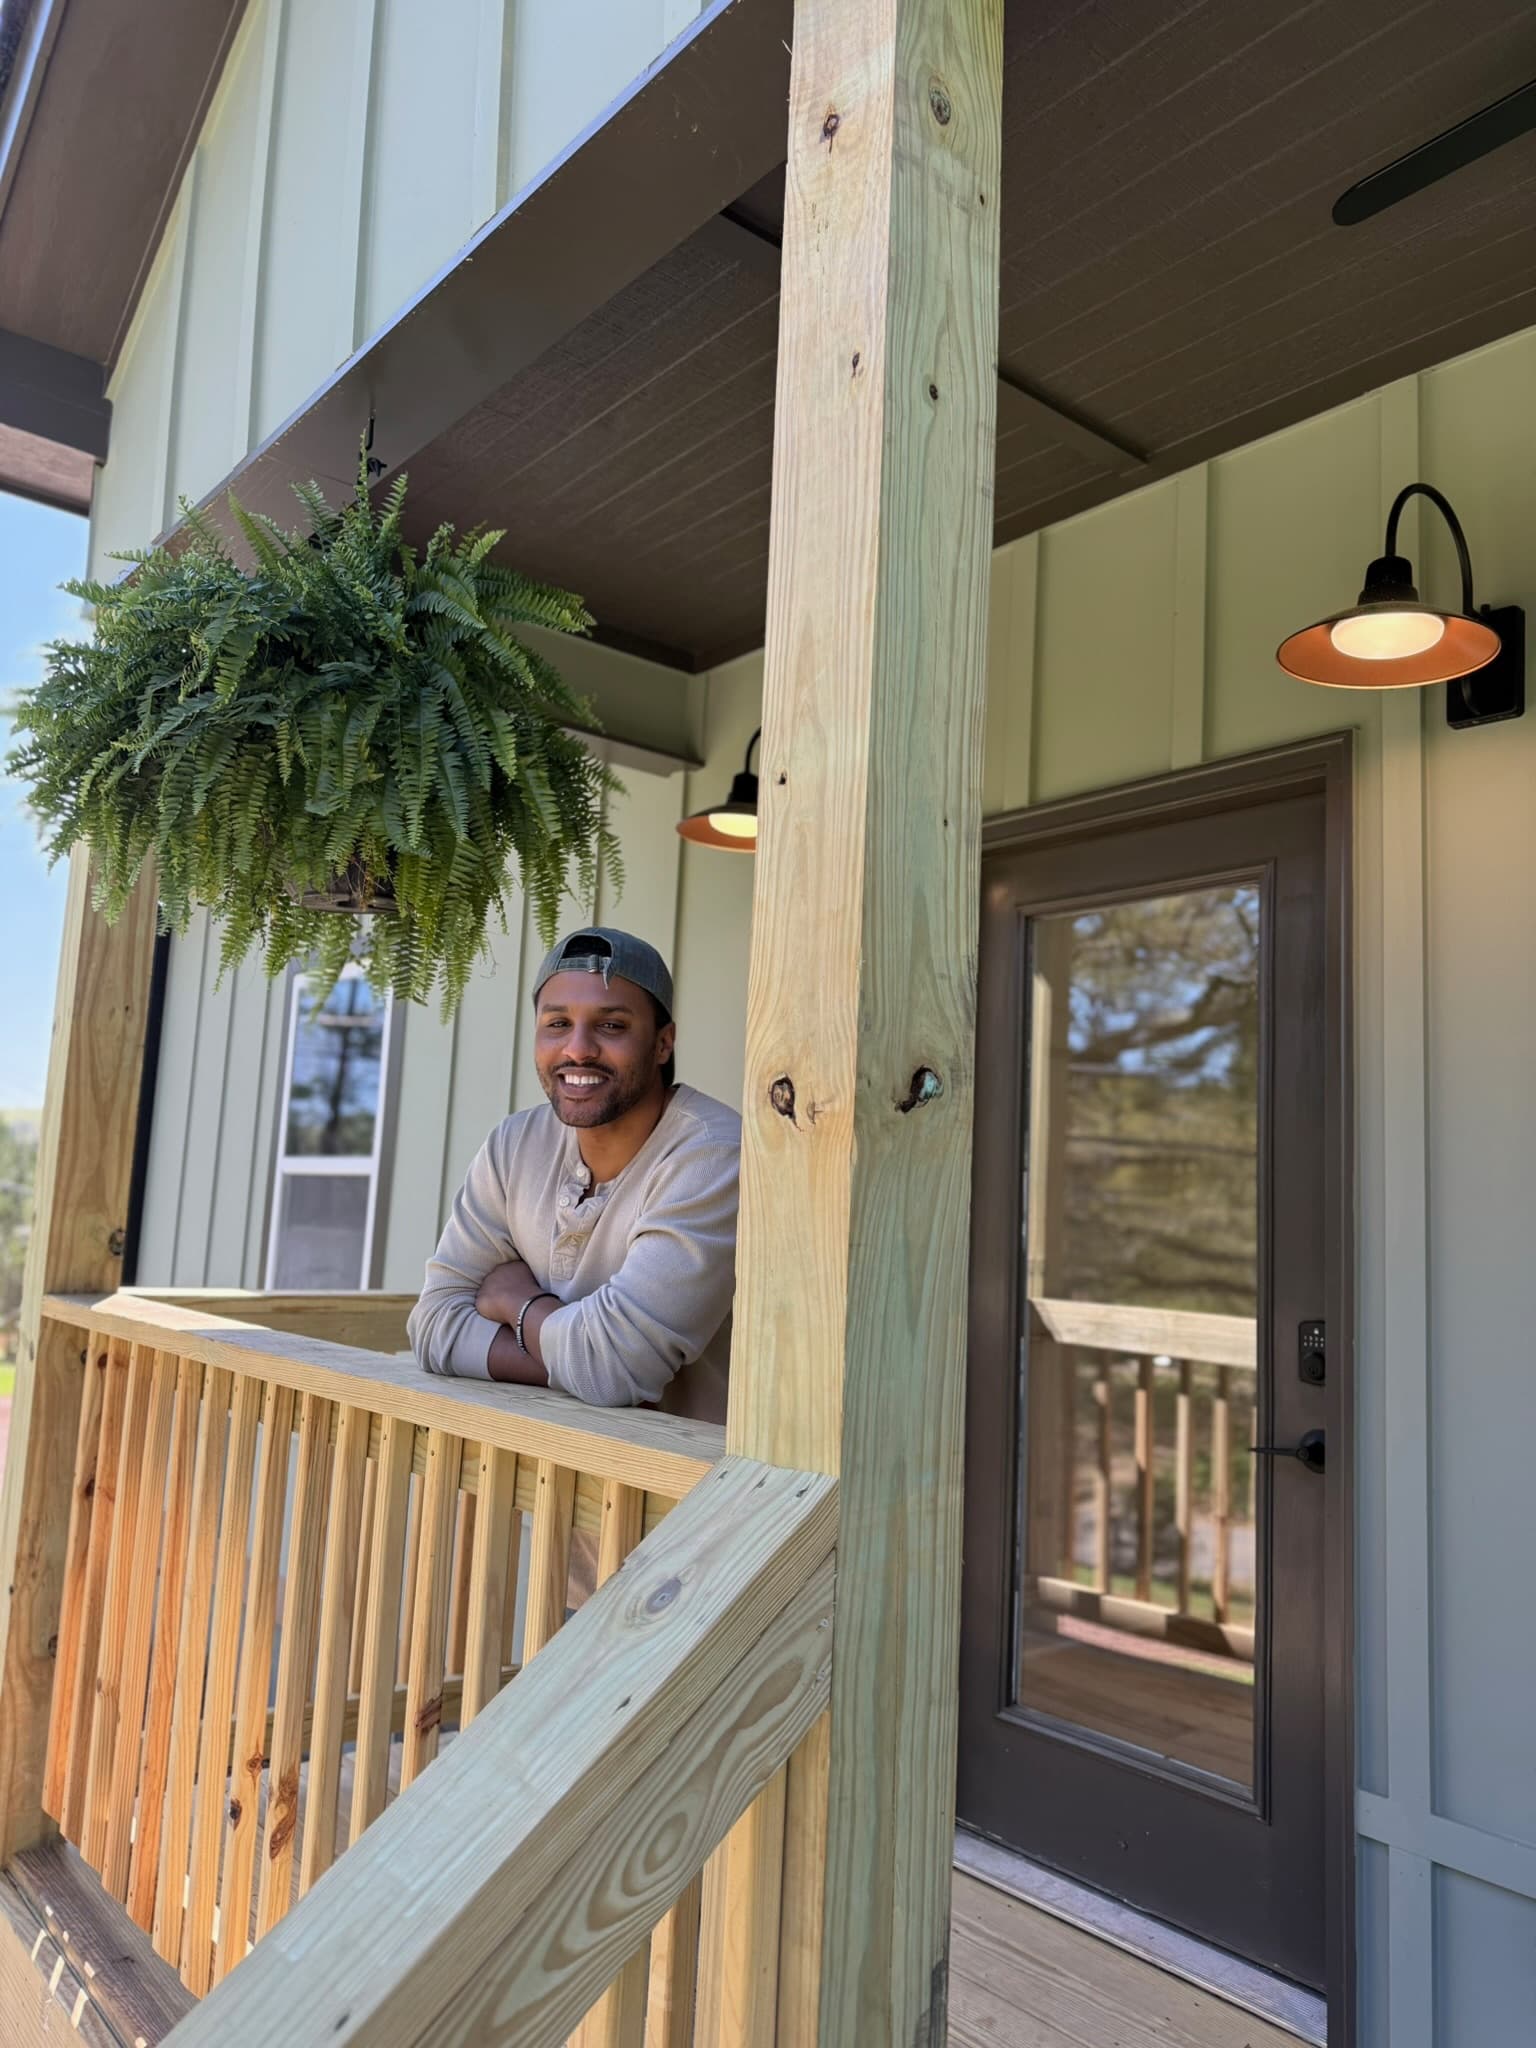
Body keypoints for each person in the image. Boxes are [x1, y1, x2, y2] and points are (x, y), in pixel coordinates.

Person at [406, 926, 740, 1427]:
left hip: (697, 1485)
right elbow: (433, 1326)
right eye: (557, 1024)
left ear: (663, 1043)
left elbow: (617, 1366)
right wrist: (587, 1366)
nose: (577, 1050)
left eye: (611, 1027)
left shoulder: (712, 1154)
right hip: (550, 1479)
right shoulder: (514, 1145)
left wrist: (519, 1304)